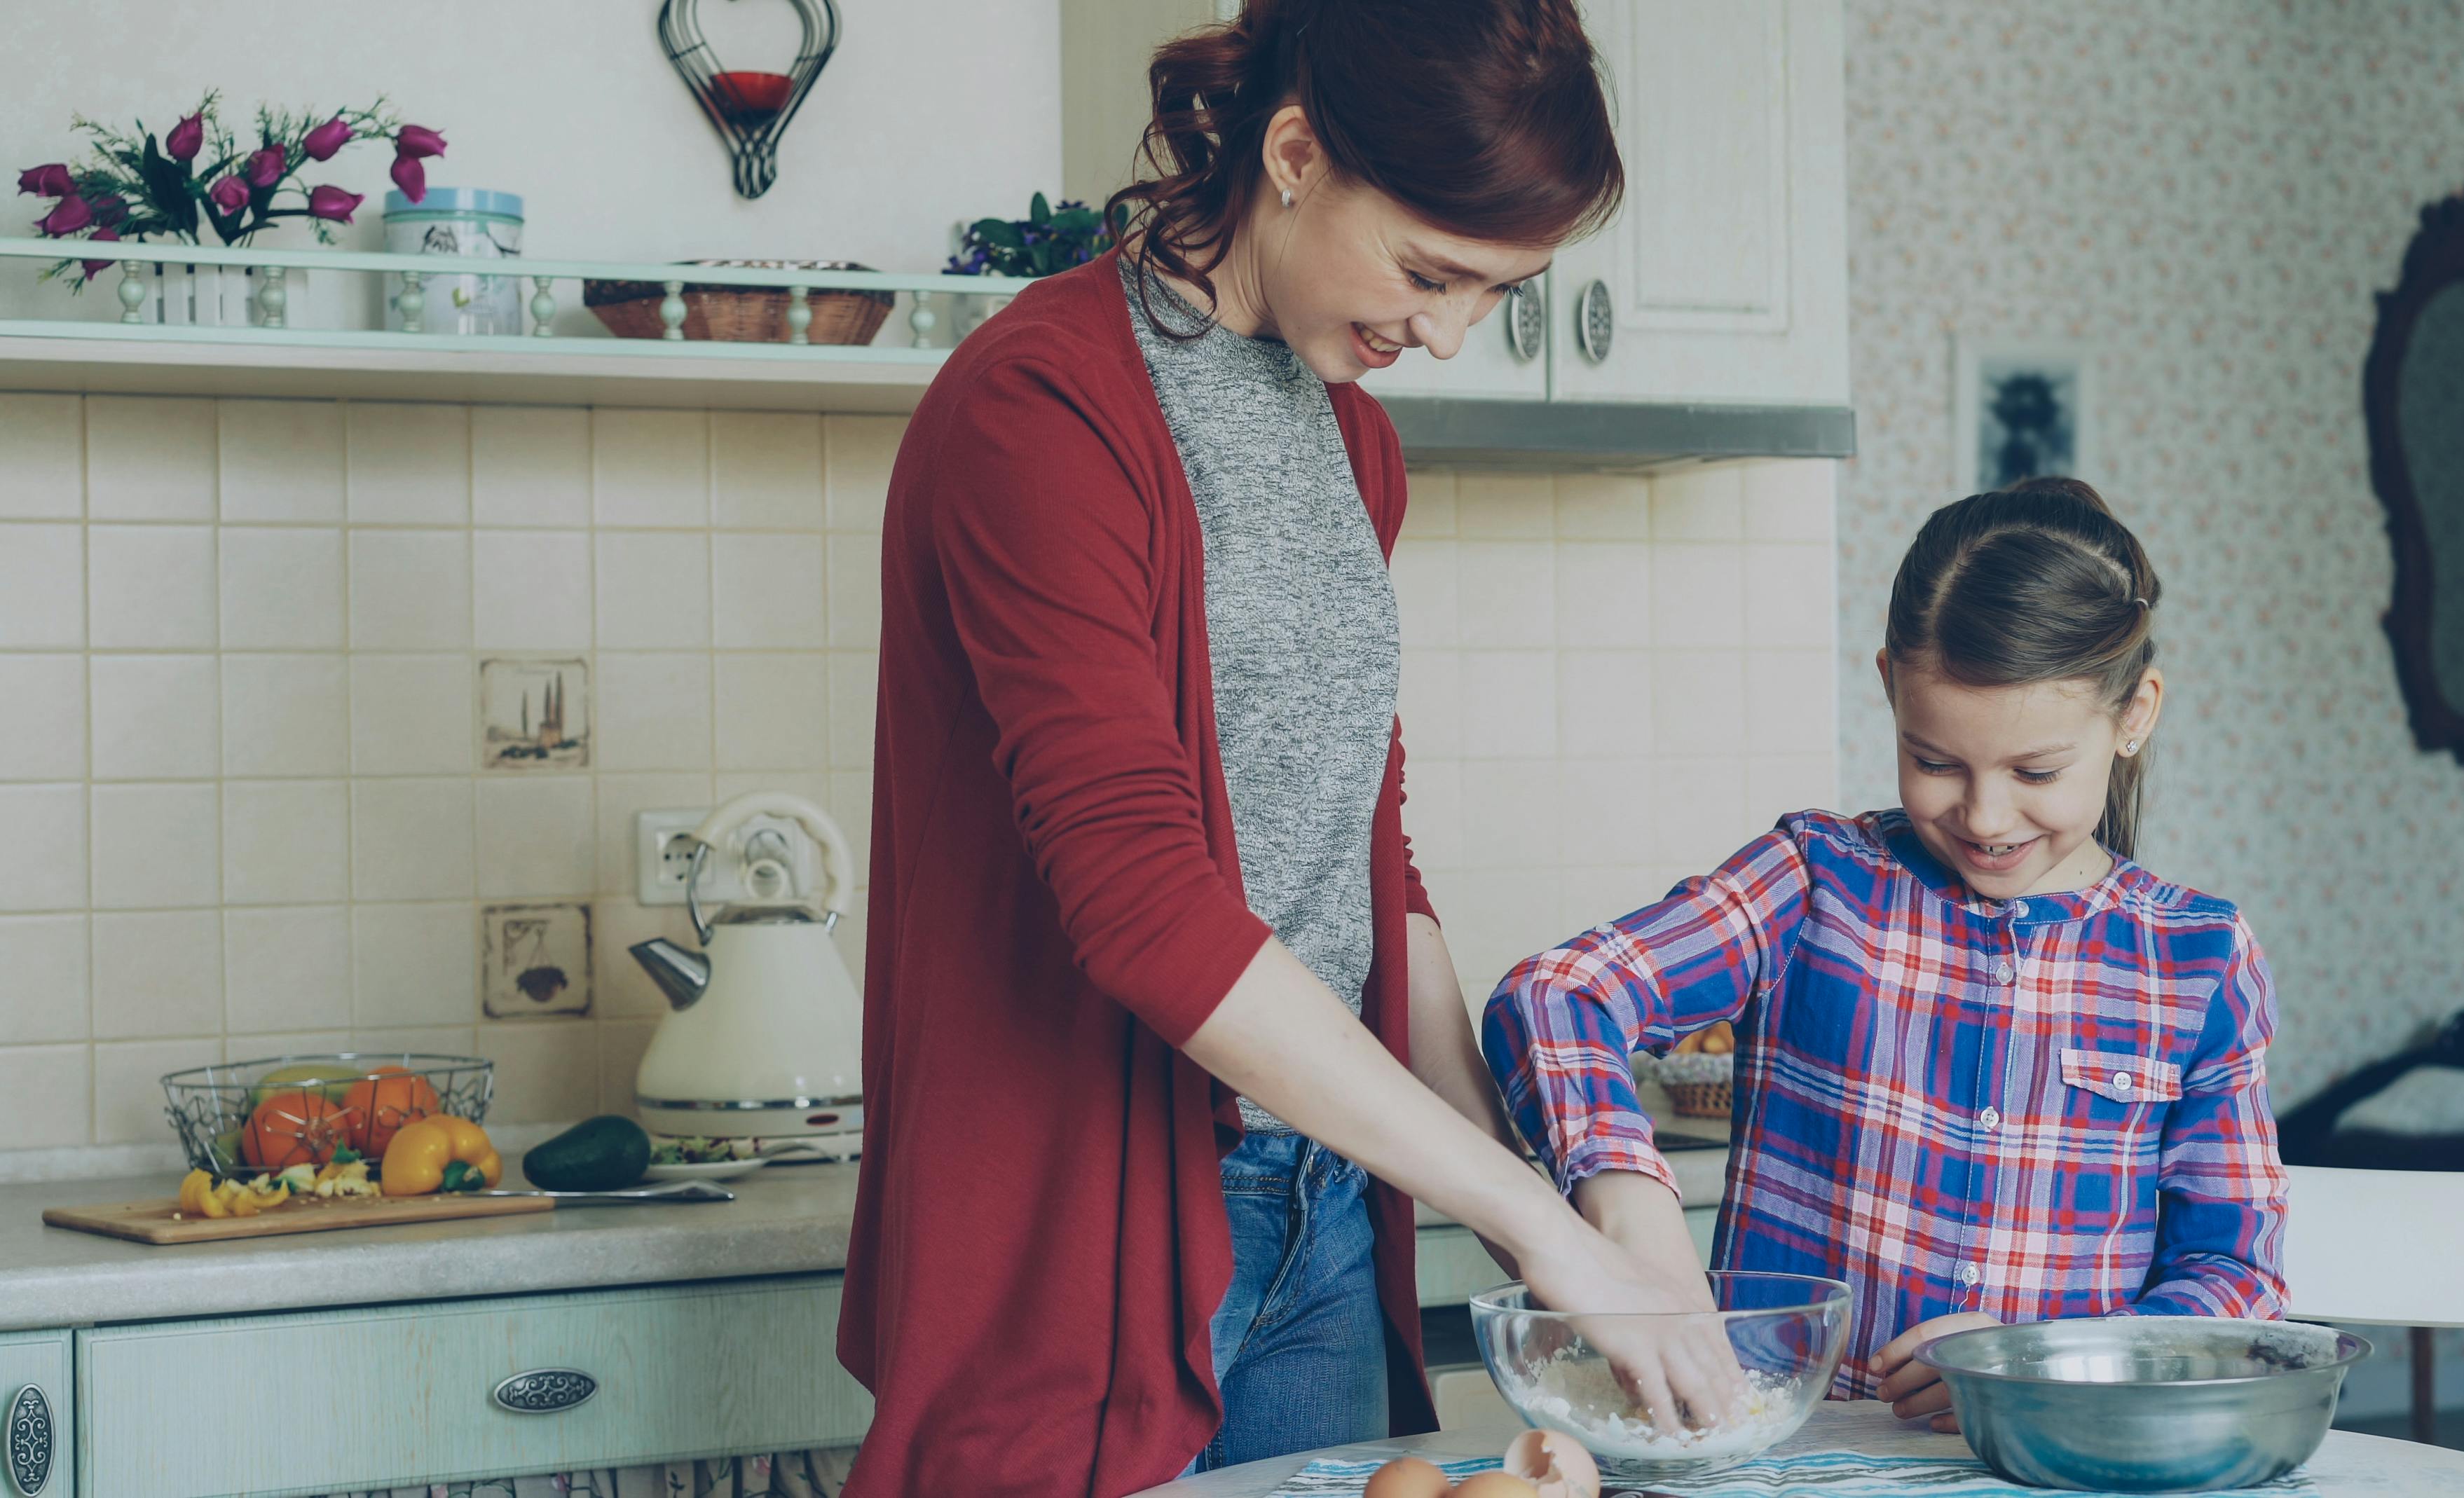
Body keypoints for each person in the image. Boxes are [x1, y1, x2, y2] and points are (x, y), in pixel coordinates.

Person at [836, 3, 1718, 1492]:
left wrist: (1576, 1197)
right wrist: (1542, 1226)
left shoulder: (1350, 437)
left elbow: (1369, 863)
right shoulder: (1040, 408)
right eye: (1429, 272)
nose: (1442, 333)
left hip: (1321, 1201)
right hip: (1089, 1213)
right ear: (1295, 154)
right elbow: (1145, 908)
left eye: (1497, 295)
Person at [1483, 478, 2290, 1431]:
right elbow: (1556, 992)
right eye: (1936, 760)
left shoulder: (2197, 960)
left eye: (2036, 771)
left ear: (2135, 714)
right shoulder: (1814, 883)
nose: (1985, 816)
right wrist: (1629, 1200)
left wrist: (2049, 1369)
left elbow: (2235, 1278)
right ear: (1888, 690)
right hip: (1775, 1466)